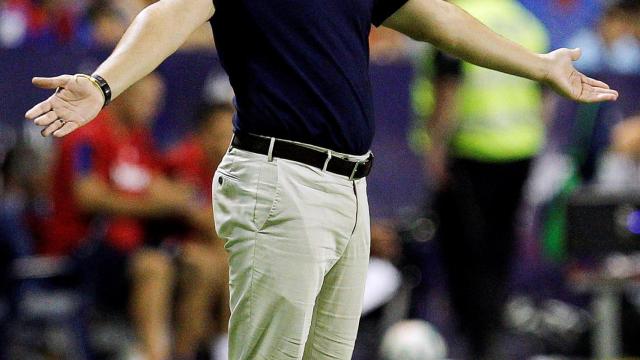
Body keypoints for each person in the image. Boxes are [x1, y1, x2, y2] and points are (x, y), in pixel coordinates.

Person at [25, 0, 618, 359]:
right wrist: (104, 84)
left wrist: (538, 65)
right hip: (279, 177)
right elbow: (171, 12)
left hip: (349, 188)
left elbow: (438, 19)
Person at [423, 0, 549, 357]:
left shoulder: (449, 18)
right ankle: (493, 333)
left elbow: (448, 91)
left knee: (468, 254)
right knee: (501, 246)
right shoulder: (525, 23)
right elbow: (545, 94)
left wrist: (435, 151)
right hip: (520, 151)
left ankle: (476, 342)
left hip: (471, 153)